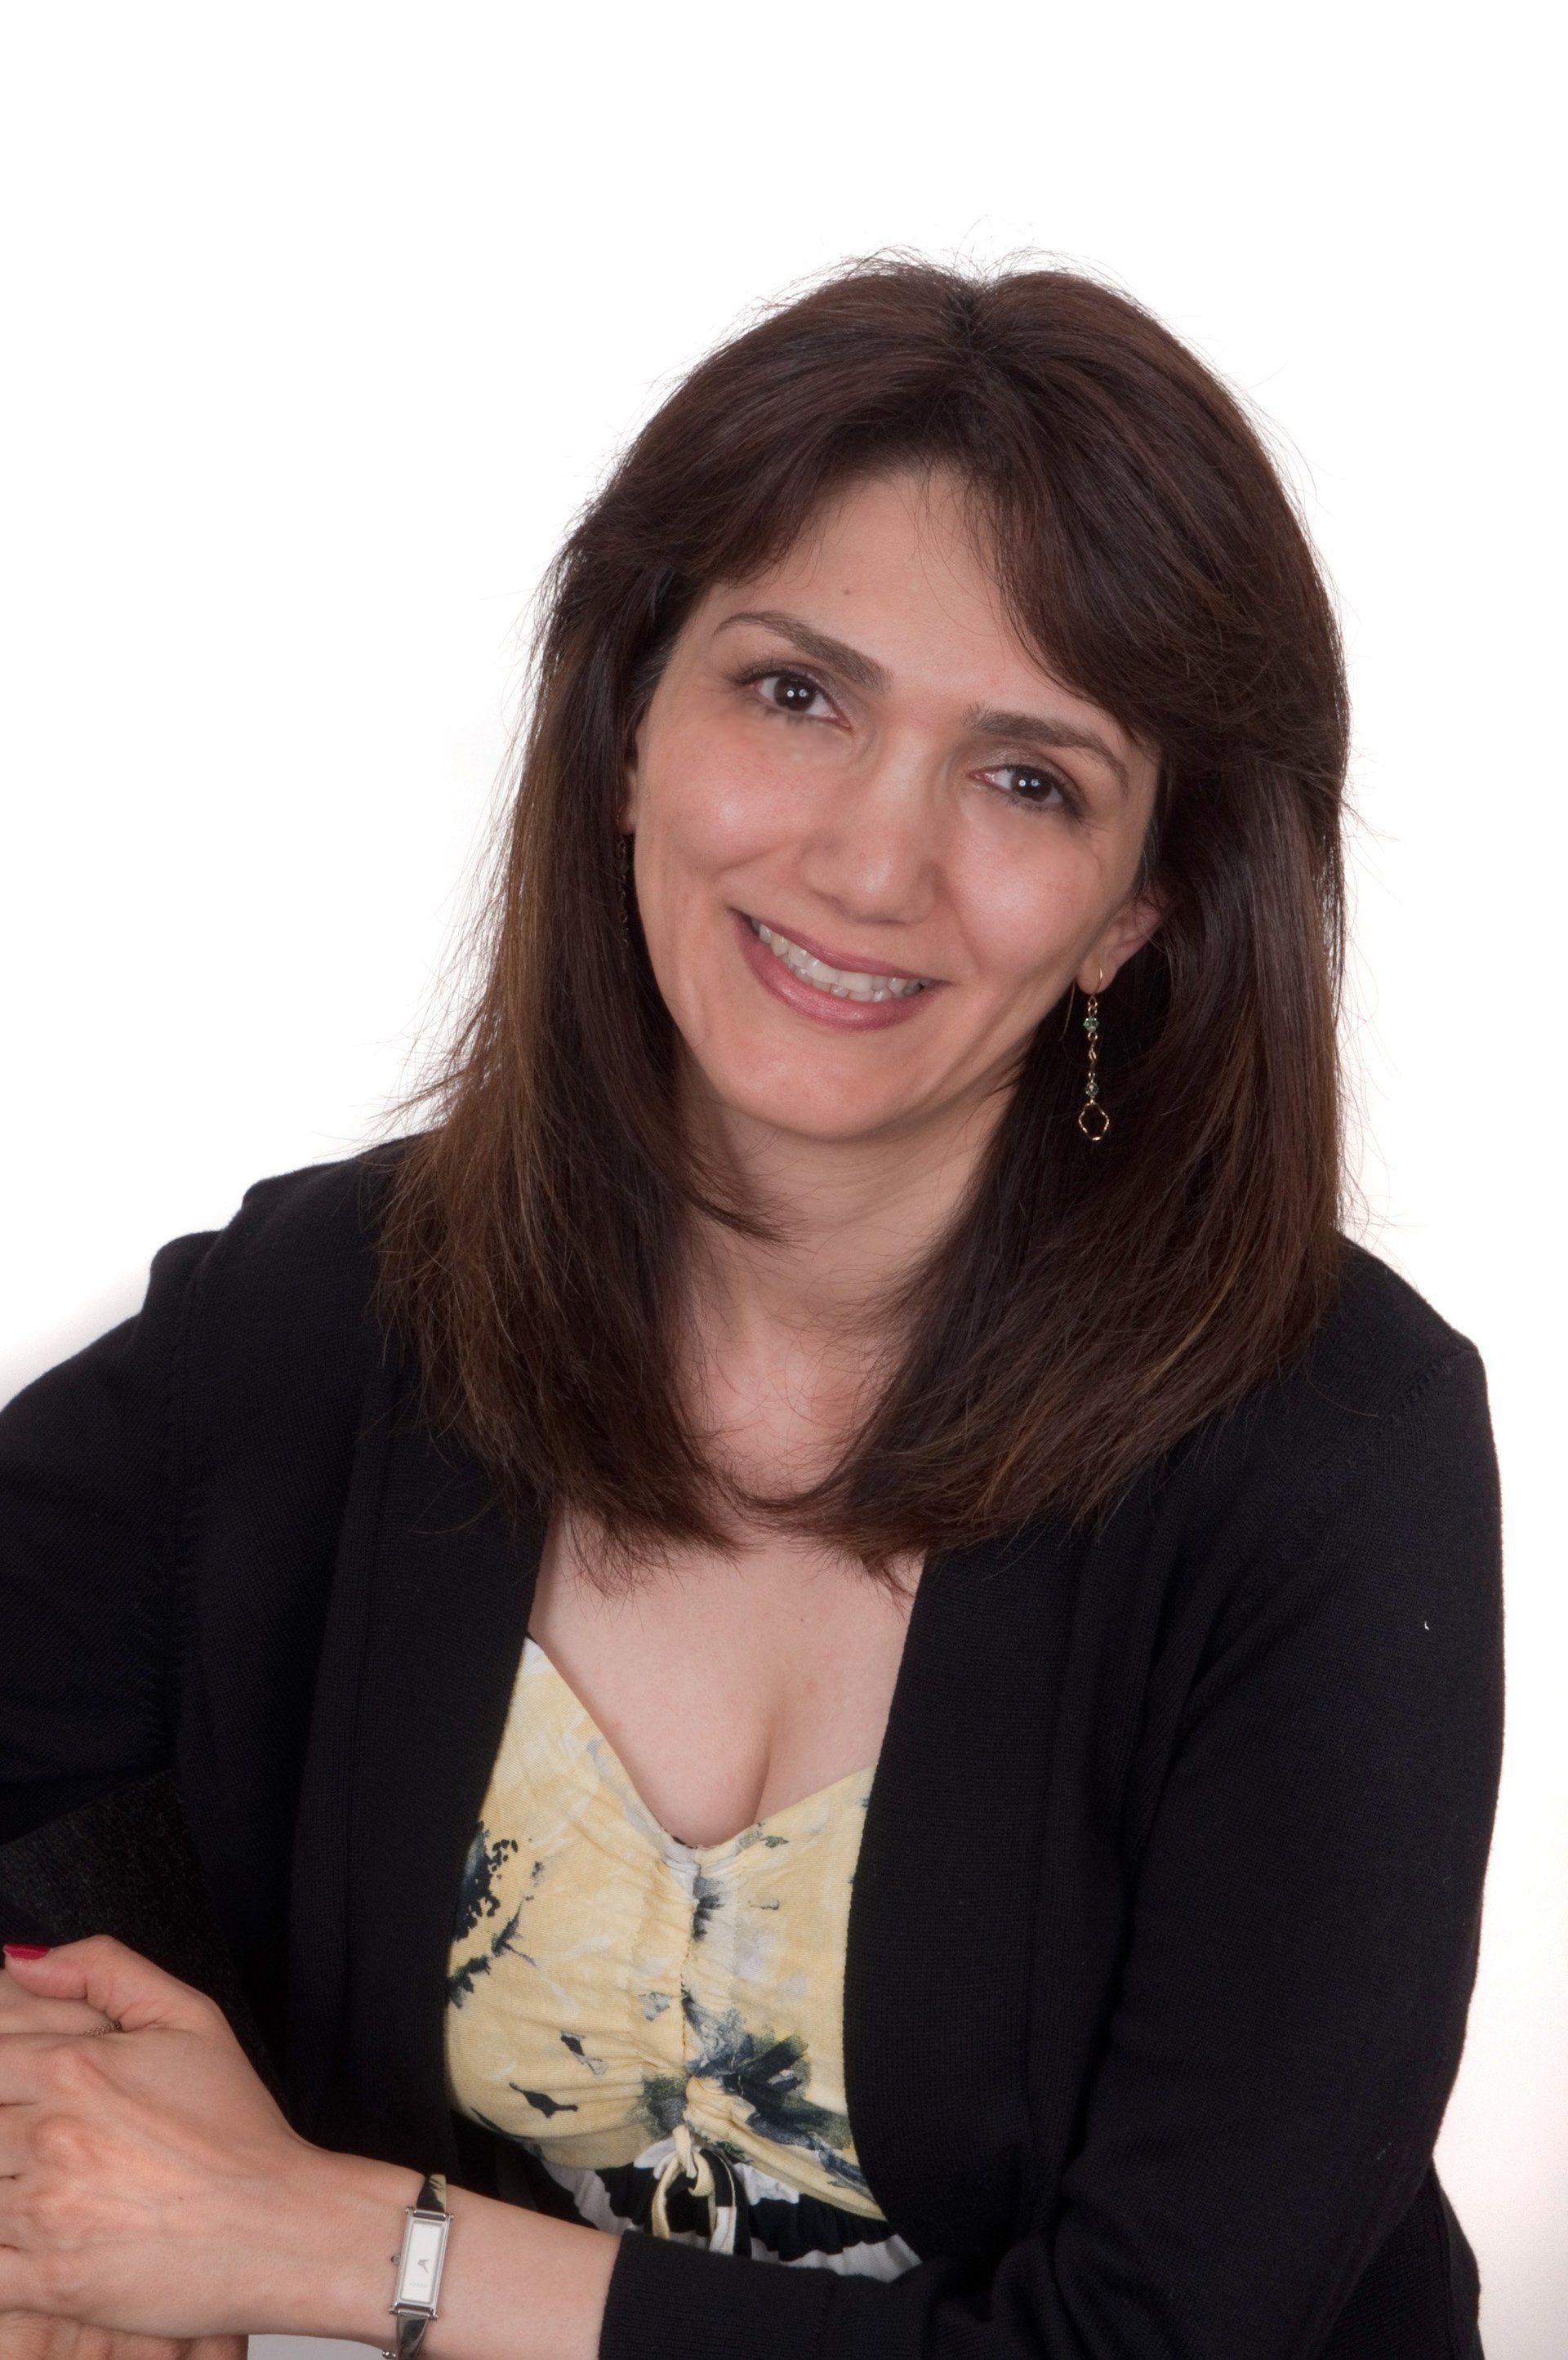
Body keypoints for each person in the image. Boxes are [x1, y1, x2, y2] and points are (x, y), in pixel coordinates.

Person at [0, 256, 1502, 2360]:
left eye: (1029, 779)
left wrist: (338, 2244)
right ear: (627, 727)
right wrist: (69, 2118)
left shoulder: (1331, 1448)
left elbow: (1161, 2343)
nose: (871, 862)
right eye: (797, 694)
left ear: (1139, 910)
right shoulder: (336, 1314)